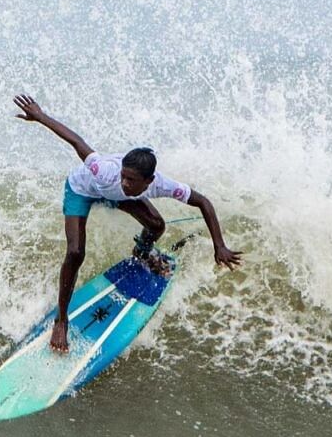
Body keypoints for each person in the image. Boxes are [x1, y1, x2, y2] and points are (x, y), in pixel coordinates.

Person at [13, 94, 243, 353]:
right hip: (82, 189)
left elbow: (203, 202)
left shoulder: (162, 185)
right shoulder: (105, 170)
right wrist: (40, 116)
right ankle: (61, 320)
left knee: (157, 226)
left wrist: (219, 246)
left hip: (114, 198)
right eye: (124, 176)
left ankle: (141, 255)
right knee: (76, 252)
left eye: (132, 180)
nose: (125, 183)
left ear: (149, 180)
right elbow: (75, 141)